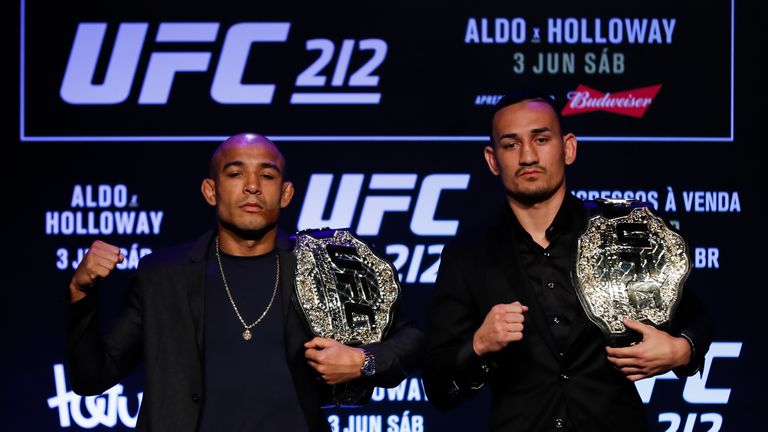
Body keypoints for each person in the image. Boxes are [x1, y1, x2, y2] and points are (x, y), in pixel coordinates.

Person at [66, 133, 425, 432]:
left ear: (285, 194)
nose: (252, 186)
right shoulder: (162, 275)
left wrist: (363, 361)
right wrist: (81, 292)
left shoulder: (323, 261)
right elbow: (92, 377)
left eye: (267, 176)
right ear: (211, 190)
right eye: (236, 174)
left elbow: (413, 339)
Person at [422, 90, 711, 431]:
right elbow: (438, 386)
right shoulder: (468, 255)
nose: (528, 156)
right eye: (511, 144)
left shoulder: (619, 231)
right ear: (492, 159)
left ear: (568, 147)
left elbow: (694, 315)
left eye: (541, 139)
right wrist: (479, 344)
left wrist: (682, 350)